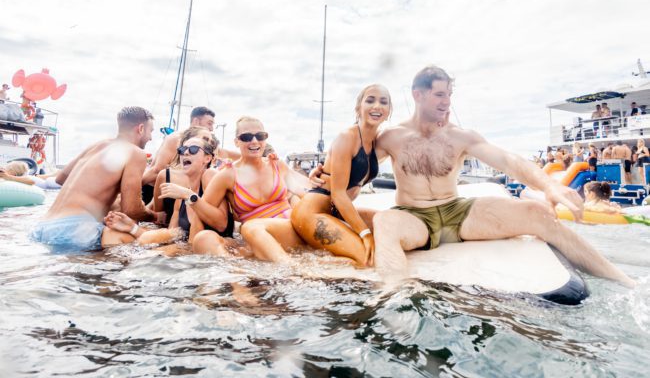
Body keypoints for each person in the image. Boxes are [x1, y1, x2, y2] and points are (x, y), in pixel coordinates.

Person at [370, 65, 634, 287]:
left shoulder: (460, 136)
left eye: (449, 94)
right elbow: (359, 172)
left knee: (537, 213)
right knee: (385, 223)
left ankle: (625, 282)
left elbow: (508, 160)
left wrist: (549, 185)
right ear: (418, 95)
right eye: (439, 94)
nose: (447, 101)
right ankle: (394, 301)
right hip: (414, 217)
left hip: (457, 212)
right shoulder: (392, 137)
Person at [30, 107, 160, 251]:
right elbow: (132, 210)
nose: (151, 137)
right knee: (146, 249)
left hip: (43, 227)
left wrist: (102, 197)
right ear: (141, 128)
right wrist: (155, 216)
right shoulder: (136, 153)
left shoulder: (98, 145)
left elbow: (60, 179)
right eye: (151, 131)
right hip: (76, 230)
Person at [291, 85, 392, 265]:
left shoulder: (377, 142)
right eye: (370, 100)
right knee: (367, 258)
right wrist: (365, 233)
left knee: (390, 226)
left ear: (389, 110)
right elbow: (338, 194)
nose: (377, 106)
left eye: (383, 102)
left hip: (336, 213)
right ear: (358, 107)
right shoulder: (347, 138)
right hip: (312, 213)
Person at [190, 116, 311, 261]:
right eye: (246, 137)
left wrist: (320, 176)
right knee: (204, 239)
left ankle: (242, 276)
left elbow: (306, 189)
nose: (254, 141)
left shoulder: (277, 165)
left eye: (260, 136)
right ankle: (235, 275)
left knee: (253, 228)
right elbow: (201, 213)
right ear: (236, 142)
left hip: (288, 230)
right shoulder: (227, 175)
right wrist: (192, 244)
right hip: (255, 239)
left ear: (265, 139)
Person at [104, 134, 235, 249]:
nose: (186, 153)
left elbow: (221, 225)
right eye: (182, 150)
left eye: (193, 149)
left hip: (210, 247)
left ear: (207, 158)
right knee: (111, 233)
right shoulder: (182, 194)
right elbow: (173, 235)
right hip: (188, 249)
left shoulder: (210, 176)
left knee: (152, 254)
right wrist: (131, 228)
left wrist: (189, 196)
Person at [141, 107, 239, 203]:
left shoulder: (208, 145)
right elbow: (156, 170)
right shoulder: (175, 138)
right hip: (155, 189)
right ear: (196, 121)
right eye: (209, 123)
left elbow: (228, 153)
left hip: (180, 192)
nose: (212, 128)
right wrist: (134, 188)